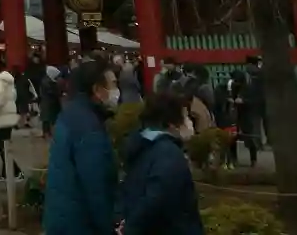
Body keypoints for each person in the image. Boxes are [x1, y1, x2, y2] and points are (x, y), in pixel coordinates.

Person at [42, 59, 118, 235]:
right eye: (113, 84)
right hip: (80, 223)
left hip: (62, 217)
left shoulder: (70, 114)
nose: (116, 90)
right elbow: (96, 187)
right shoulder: (88, 127)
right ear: (97, 89)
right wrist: (108, 227)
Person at [119, 92, 205, 235]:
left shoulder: (141, 146)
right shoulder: (169, 154)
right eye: (185, 117)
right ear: (172, 124)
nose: (189, 122)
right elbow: (157, 198)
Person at [0, 66, 22, 182]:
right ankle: (5, 173)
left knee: (2, 147)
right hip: (9, 117)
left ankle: (16, 171)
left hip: (2, 117)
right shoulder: (10, 82)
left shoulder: (0, 81)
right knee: (5, 145)